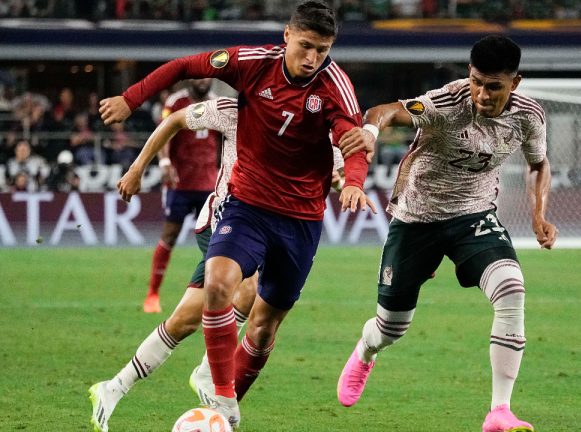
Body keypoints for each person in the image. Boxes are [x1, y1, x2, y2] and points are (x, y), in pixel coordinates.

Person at [98, 1, 374, 428]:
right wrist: (131, 100)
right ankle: (221, 400)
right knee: (219, 286)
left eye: (322, 50)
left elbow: (352, 142)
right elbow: (184, 67)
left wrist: (353, 181)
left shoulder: (335, 85)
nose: (312, 59)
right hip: (243, 207)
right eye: (305, 46)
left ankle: (207, 381)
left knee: (263, 327)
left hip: (300, 220)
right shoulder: (248, 68)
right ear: (286, 35)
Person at [335, 35, 557, 432]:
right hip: (416, 218)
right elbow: (385, 110)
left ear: (515, 83)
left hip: (473, 216)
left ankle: (500, 412)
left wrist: (539, 214)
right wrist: (370, 130)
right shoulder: (447, 102)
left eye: (494, 86)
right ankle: (366, 351)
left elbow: (539, 164)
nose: (482, 94)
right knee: (391, 327)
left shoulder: (528, 116)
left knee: (511, 288)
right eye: (476, 81)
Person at [89, 96, 256, 432]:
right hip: (223, 219)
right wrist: (139, 167)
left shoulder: (299, 117)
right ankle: (209, 373)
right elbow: (175, 120)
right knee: (249, 284)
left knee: (183, 322)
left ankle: (112, 387)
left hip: (255, 224)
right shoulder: (235, 109)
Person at [142, 78, 219, 314]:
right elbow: (164, 131)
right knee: (170, 235)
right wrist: (164, 161)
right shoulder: (176, 102)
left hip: (209, 183)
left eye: (208, 77)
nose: (204, 81)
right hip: (180, 182)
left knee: (216, 241)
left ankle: (216, 296)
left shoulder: (217, 103)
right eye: (200, 76)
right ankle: (153, 294)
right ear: (191, 79)